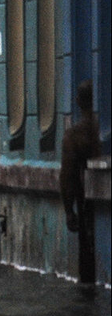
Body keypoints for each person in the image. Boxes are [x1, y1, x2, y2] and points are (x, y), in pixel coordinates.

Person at [61, 80, 100, 234]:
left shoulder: (74, 136)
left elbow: (67, 176)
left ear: (78, 102)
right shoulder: (100, 132)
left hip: (87, 206)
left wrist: (69, 211)